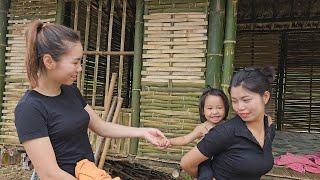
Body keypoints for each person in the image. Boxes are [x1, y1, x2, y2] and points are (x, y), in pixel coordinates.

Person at [14, 20, 169, 179]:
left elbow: (101, 127)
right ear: (49, 61)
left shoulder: (71, 91)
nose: (80, 68)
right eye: (75, 62)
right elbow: (49, 174)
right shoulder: (29, 108)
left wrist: (143, 132)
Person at [180, 67, 276, 180]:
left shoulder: (269, 129)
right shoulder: (224, 132)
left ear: (265, 97)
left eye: (246, 100)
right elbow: (186, 163)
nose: (239, 107)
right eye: (234, 101)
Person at [167, 88, 229, 179]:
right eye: (210, 108)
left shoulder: (229, 126)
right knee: (206, 176)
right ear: (203, 111)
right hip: (205, 161)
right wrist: (169, 141)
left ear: (225, 108)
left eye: (219, 108)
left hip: (223, 160)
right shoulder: (202, 128)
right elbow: (185, 139)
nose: (215, 112)